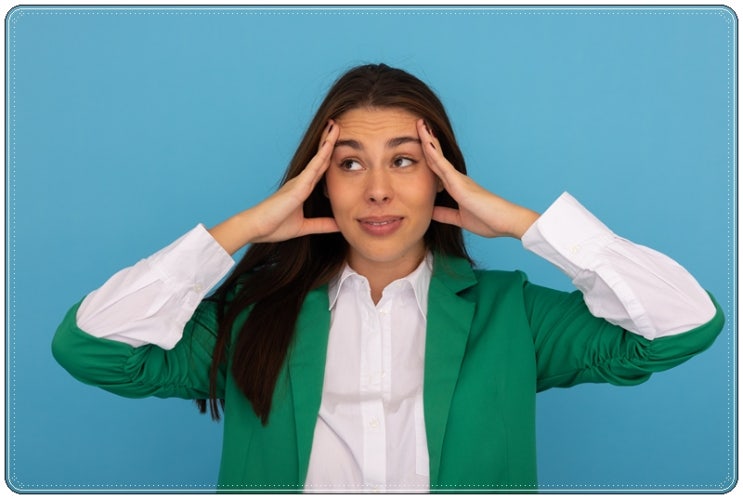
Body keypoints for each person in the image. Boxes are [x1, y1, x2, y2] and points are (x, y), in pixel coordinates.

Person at [52, 63, 724, 493]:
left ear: (441, 176)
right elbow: (89, 346)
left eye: (403, 161)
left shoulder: (510, 316)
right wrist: (238, 232)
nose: (377, 190)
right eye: (349, 164)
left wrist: (528, 225)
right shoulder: (251, 316)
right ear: (318, 182)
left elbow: (683, 323)